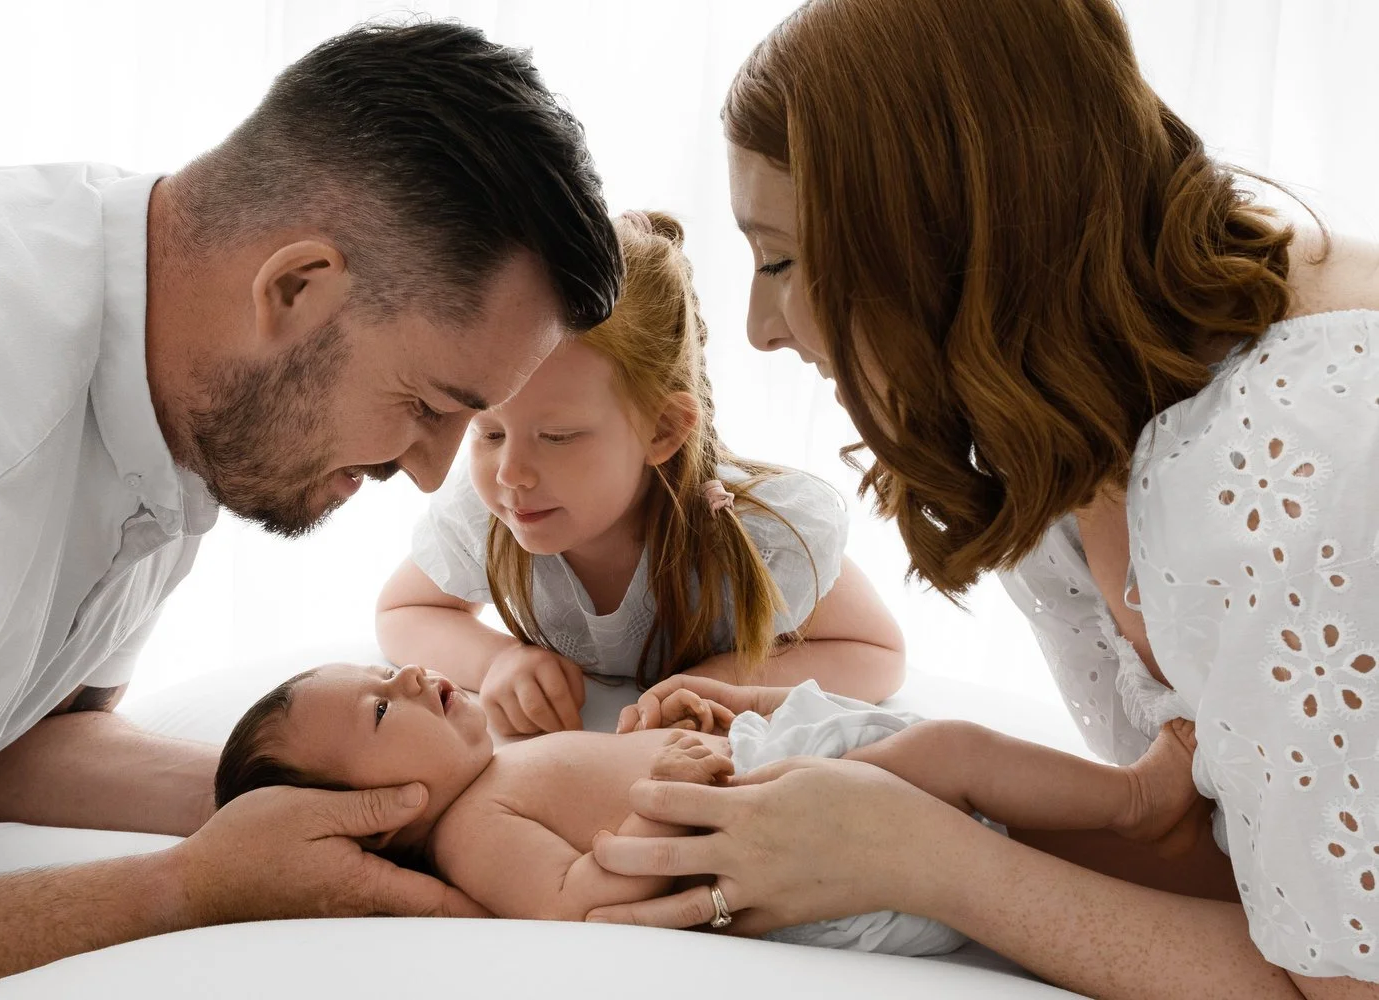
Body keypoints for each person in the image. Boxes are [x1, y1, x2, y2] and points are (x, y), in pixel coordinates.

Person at [587, 1, 1379, 998]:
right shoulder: (1071, 417)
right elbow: (1251, 866)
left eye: (781, 260)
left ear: (940, 236)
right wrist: (870, 759)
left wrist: (927, 859)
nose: (756, 327)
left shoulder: (1298, 461)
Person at [0, 20, 622, 998]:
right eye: (429, 408)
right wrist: (188, 890)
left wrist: (382, 810)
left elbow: (3, 744)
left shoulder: (175, 346)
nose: (436, 474)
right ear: (298, 288)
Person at [213, 663, 1205, 954]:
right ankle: (1131, 802)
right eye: (381, 705)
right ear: (380, 814)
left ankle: (1136, 828)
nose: (413, 672)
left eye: (383, 669)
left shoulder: (499, 767)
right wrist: (659, 801)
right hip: (808, 842)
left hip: (787, 784)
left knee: (957, 755)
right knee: (956, 753)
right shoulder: (476, 832)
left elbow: (607, 768)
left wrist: (675, 724)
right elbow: (575, 903)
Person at [377, 212, 904, 737]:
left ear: (662, 430)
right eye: (488, 433)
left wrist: (719, 682)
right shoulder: (486, 513)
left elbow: (877, 652)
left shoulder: (754, 531)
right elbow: (403, 610)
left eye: (558, 437)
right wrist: (497, 661)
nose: (510, 473)